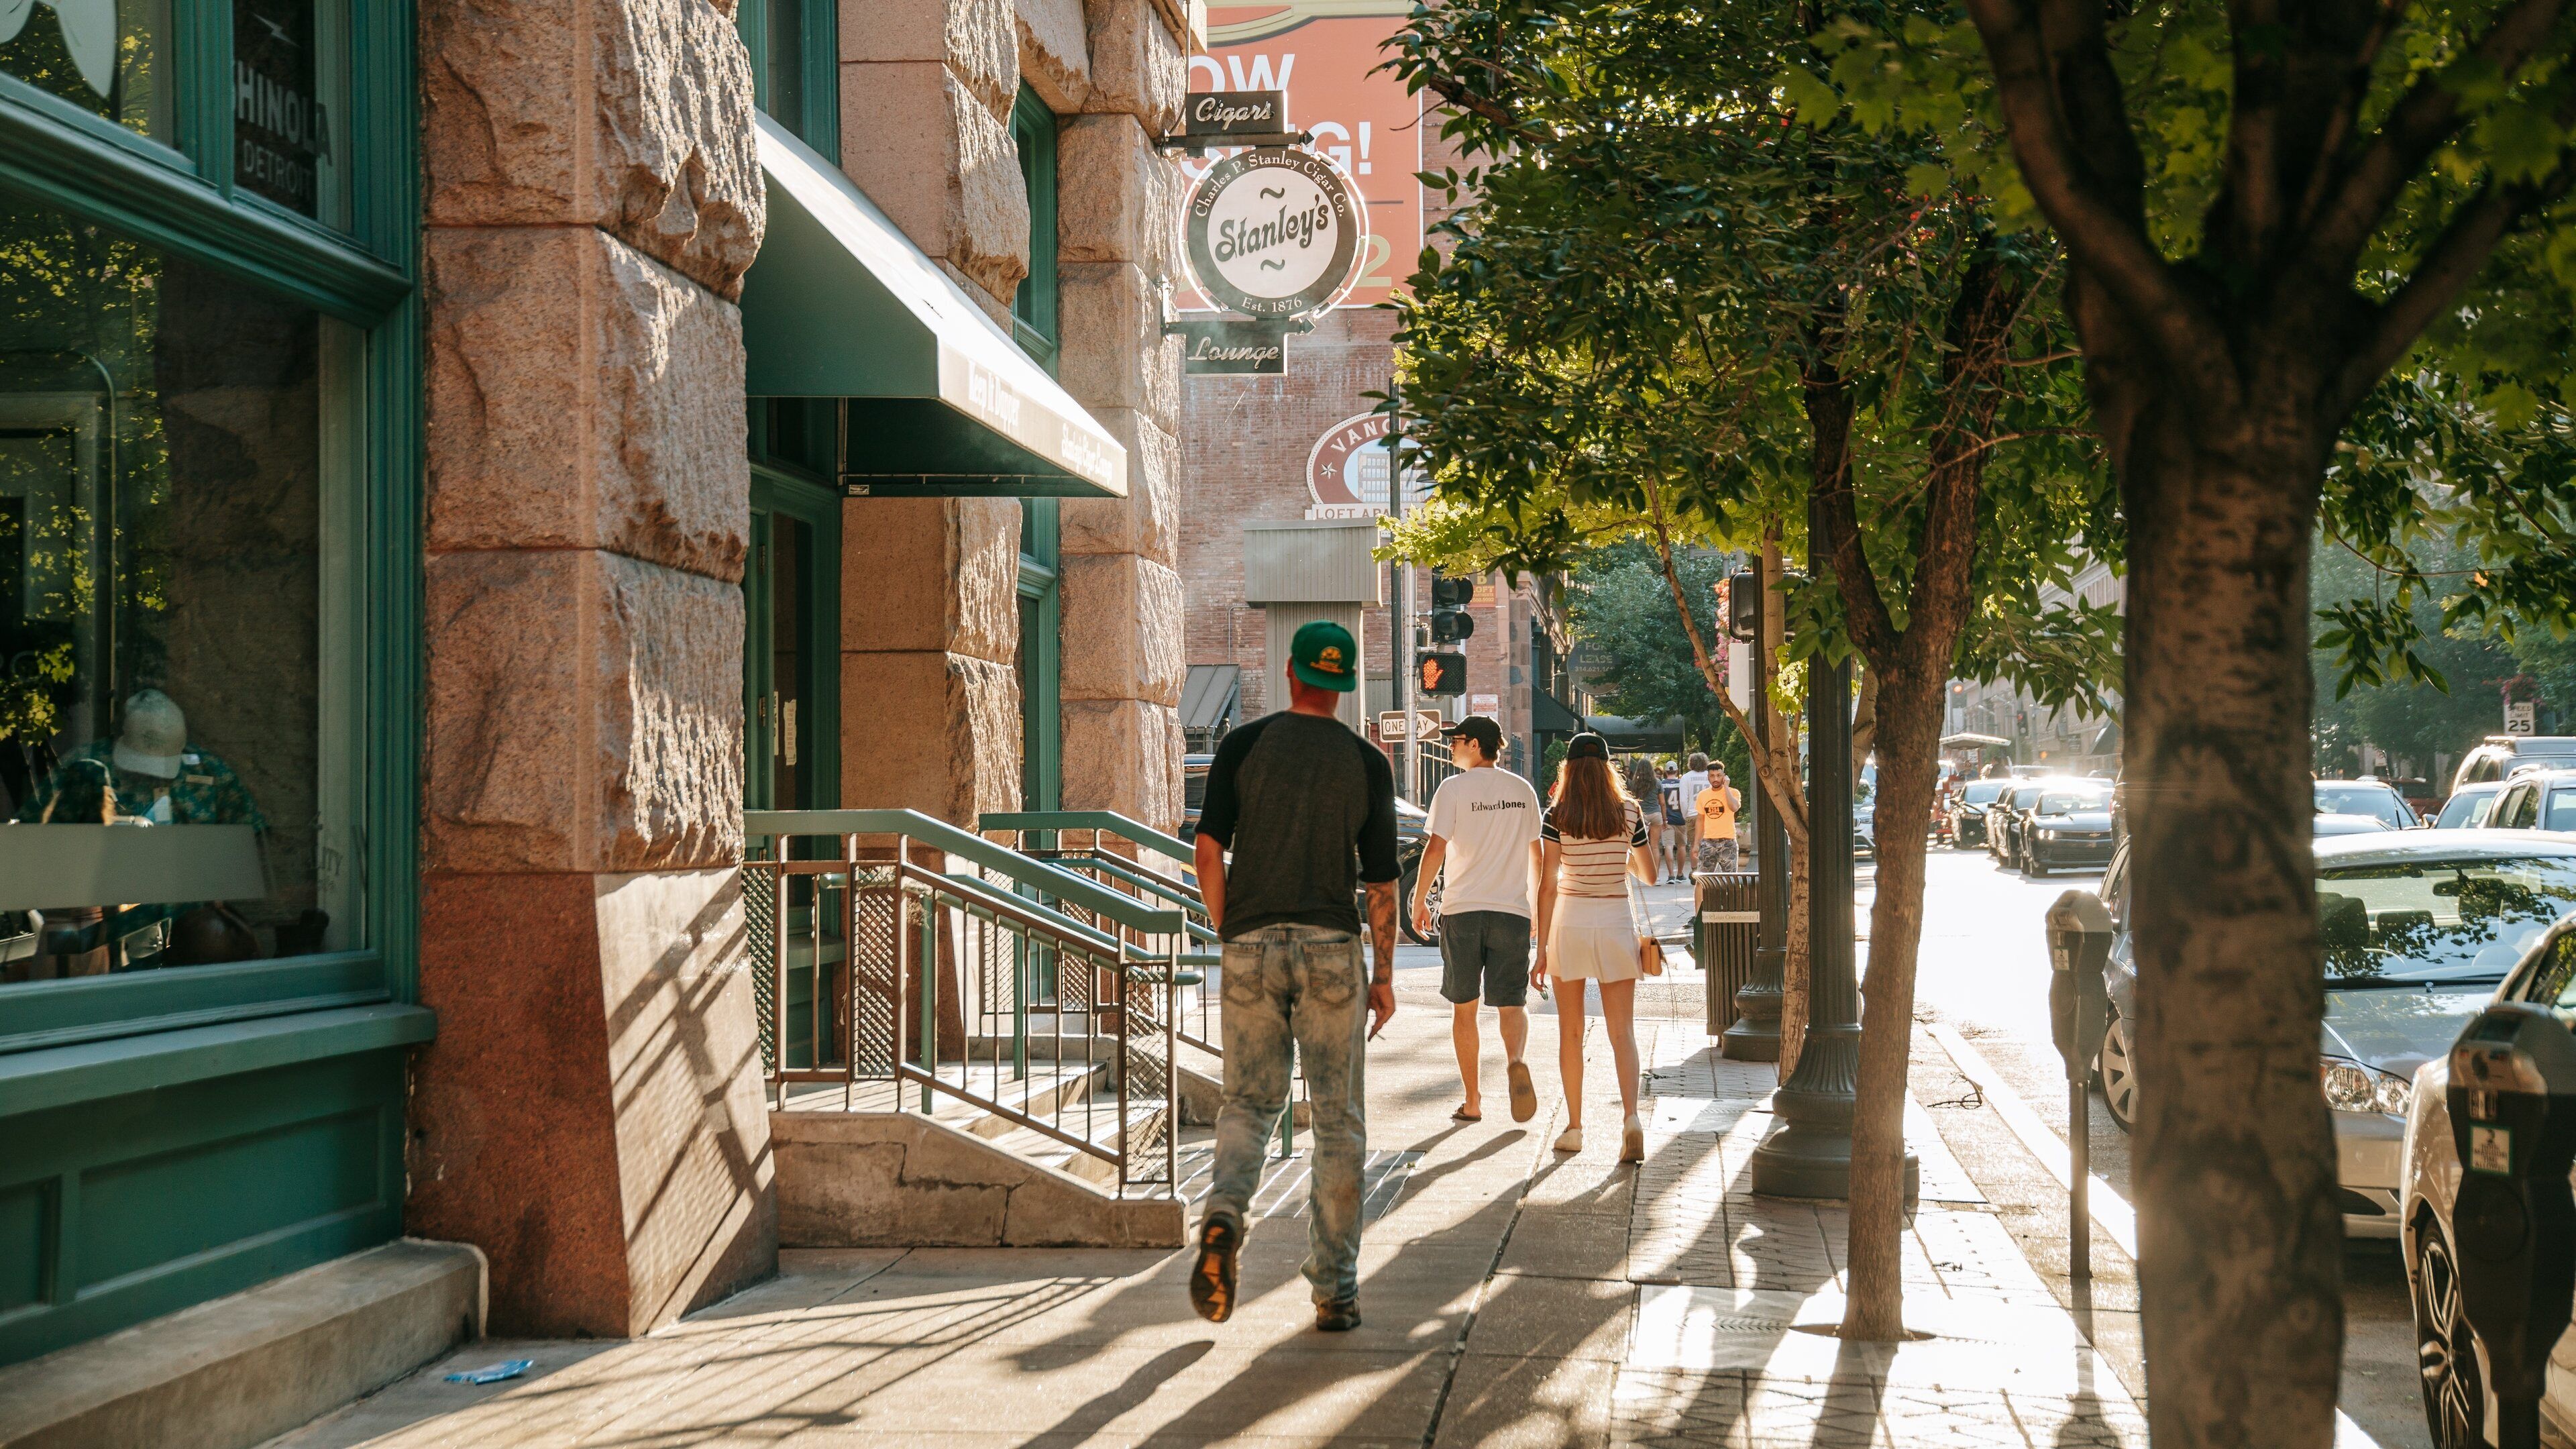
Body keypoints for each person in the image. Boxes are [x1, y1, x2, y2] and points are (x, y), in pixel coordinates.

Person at [1189, 619, 1400, 1334]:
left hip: (1251, 940)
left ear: (1290, 673)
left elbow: (1208, 849)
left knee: (1248, 1103)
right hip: (1333, 948)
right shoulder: (1366, 762)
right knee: (1338, 1123)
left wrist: (1229, 925)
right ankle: (1335, 1291)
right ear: (1342, 687)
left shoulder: (1242, 746)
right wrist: (1385, 974)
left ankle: (1223, 1214)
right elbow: (1380, 887)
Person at [1532, 732, 1658, 1162]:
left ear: (1568, 768)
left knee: (1570, 1032)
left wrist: (1541, 948)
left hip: (1570, 920)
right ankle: (1631, 1119)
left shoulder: (1557, 814)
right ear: (1608, 769)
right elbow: (1651, 875)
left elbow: (1548, 885)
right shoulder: (1629, 811)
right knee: (1622, 1032)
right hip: (1615, 918)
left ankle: (1574, 1127)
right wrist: (1618, 855)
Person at [1412, 715, 1541, 1125]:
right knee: (1511, 1004)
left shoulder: (1452, 789)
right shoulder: (1523, 791)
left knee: (1464, 1010)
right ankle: (1516, 1060)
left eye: (1456, 741)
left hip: (1463, 910)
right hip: (1512, 911)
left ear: (1474, 744)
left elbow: (1435, 849)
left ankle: (1472, 1101)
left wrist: (1419, 899)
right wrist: (1536, 908)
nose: (1451, 747)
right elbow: (1537, 857)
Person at [1695, 764, 1741, 873]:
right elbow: (1700, 820)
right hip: (1708, 842)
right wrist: (1696, 843)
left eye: (1719, 775)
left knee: (1730, 879)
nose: (1715, 779)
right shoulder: (1703, 795)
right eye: (1712, 776)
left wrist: (1726, 788)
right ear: (1708, 777)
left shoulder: (1734, 792)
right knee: (1703, 880)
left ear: (1724, 776)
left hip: (1728, 841)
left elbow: (1734, 807)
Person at [1674, 753, 1711, 882]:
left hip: (1692, 814)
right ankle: (1707, 870)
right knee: (1709, 844)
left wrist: (1686, 815)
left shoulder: (1686, 778)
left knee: (1694, 844)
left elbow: (1683, 800)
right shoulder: (1709, 776)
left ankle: (1695, 870)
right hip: (1709, 814)